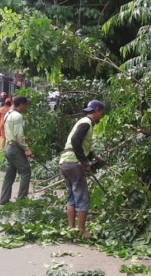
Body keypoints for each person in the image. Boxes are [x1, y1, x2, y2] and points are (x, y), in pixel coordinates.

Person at [59, 99, 105, 237]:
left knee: (72, 197)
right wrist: (84, 162)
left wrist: (94, 156)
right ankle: (82, 230)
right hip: (73, 163)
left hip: (65, 162)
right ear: (96, 110)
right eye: (101, 113)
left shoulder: (82, 122)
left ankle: (72, 229)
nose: (101, 116)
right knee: (82, 196)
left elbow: (78, 144)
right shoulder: (86, 123)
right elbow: (75, 141)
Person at [0, 96, 33, 205]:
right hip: (15, 147)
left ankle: (4, 200)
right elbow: (19, 135)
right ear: (22, 104)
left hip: (8, 147)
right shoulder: (18, 116)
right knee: (26, 171)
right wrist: (26, 149)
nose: (26, 107)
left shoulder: (7, 114)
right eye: (26, 105)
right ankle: (21, 200)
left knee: (9, 174)